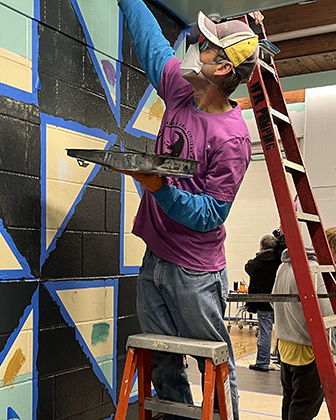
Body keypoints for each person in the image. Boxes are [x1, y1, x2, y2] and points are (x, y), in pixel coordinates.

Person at [117, 1, 258, 418]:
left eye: (208, 46)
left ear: (221, 70)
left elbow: (210, 214)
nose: (197, 45)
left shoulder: (232, 140)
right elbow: (150, 43)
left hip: (195, 272)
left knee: (212, 361)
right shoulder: (181, 86)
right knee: (163, 360)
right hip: (155, 256)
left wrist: (159, 188)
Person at [273, 227, 336, 420]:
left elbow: (273, 301)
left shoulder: (285, 265)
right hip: (310, 350)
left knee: (291, 401)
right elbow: (326, 319)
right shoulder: (315, 271)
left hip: (285, 346)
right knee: (304, 409)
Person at [245, 234, 281, 371]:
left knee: (265, 333)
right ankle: (283, 361)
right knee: (281, 333)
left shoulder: (257, 262)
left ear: (262, 246)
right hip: (279, 302)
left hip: (263, 304)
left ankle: (262, 362)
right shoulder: (279, 262)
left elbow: (247, 267)